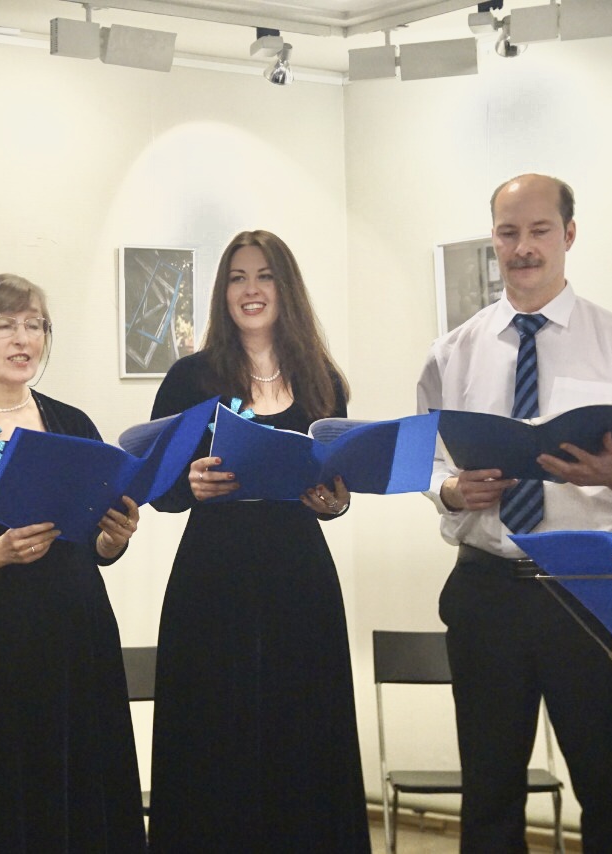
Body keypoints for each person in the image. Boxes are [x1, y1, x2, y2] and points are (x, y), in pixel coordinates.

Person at [417, 174, 612, 852]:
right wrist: (450, 490)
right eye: (508, 233)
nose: (522, 247)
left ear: (569, 235)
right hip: (486, 589)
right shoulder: (453, 352)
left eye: (538, 231)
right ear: (494, 240)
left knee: (610, 789)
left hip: (593, 588)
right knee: (490, 792)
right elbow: (426, 462)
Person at [147, 231, 370, 852]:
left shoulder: (323, 378)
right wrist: (189, 483)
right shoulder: (190, 378)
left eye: (264, 275)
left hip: (299, 574)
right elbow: (157, 488)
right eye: (237, 277)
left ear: (285, 287)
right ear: (223, 292)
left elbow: (335, 483)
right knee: (212, 729)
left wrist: (335, 501)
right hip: (213, 575)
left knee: (305, 726)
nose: (251, 289)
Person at [0, 274, 146, 853]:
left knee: (77, 784)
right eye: (6, 325)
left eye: (34, 325)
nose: (23, 339)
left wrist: (112, 540)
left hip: (72, 637)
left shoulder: (72, 423)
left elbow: (92, 539)